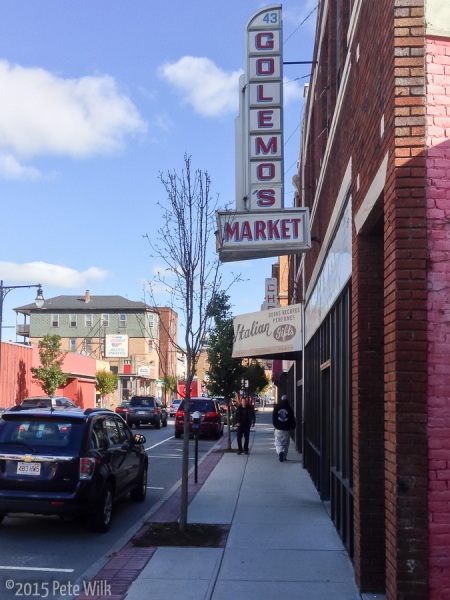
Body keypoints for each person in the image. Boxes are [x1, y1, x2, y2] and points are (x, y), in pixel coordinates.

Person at [272, 394, 296, 462]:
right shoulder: (289, 408)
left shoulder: (277, 407)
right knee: (286, 443)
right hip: (287, 429)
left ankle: (280, 452)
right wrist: (293, 426)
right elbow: (292, 418)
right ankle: (284, 456)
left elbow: (274, 417)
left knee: (278, 443)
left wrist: (275, 425)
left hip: (278, 429)